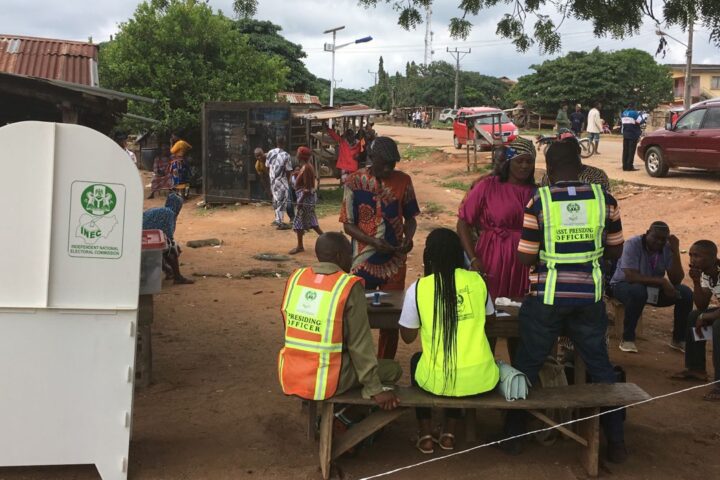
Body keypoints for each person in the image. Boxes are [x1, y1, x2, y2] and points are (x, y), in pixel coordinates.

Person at [505, 138, 627, 463]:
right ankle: (616, 440)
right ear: (580, 163)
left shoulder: (538, 202)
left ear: (549, 168)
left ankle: (513, 435)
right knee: (601, 368)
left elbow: (525, 258)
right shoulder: (606, 199)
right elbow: (616, 249)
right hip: (590, 298)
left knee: (528, 364)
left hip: (547, 297)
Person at [399, 228, 499, 453]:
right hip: (480, 379)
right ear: (459, 255)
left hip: (438, 381)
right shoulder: (476, 281)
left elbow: (407, 337)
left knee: (418, 360)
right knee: (459, 364)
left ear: (429, 257)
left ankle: (425, 434)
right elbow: (491, 320)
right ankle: (449, 433)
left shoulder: (419, 289)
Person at [278, 232, 401, 409]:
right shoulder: (347, 286)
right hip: (327, 376)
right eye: (350, 253)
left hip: (293, 372)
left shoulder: (296, 278)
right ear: (339, 256)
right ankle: (348, 416)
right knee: (393, 369)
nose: (352, 258)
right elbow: (360, 344)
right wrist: (375, 389)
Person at [340, 136, 420, 360]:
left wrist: (408, 238)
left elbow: (411, 218)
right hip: (362, 262)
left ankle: (385, 364)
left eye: (392, 164)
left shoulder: (404, 181)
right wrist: (372, 241)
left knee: (392, 317)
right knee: (357, 315)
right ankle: (359, 363)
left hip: (394, 263)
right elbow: (347, 224)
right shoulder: (354, 182)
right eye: (384, 163)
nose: (388, 168)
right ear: (372, 158)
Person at [457, 137, 537, 300]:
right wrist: (472, 258)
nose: (525, 166)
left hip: (525, 258)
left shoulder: (537, 192)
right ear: (509, 162)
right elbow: (463, 223)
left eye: (529, 162)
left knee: (520, 307)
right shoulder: (487, 186)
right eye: (519, 161)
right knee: (489, 303)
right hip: (492, 254)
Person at [610, 221, 692, 353]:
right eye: (655, 237)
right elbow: (631, 276)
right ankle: (628, 339)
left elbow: (677, 279)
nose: (659, 242)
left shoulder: (666, 247)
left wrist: (675, 251)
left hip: (651, 288)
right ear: (647, 233)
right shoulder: (633, 244)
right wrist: (662, 282)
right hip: (624, 285)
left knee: (685, 293)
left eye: (663, 239)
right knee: (638, 291)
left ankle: (678, 339)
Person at [671, 240, 720, 401]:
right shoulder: (707, 273)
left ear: (713, 257)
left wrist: (706, 316)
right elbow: (701, 304)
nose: (692, 259)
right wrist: (696, 281)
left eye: (697, 256)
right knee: (693, 316)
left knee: (717, 326)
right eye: (691, 255)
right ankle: (696, 368)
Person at [142, 193, 194, 285]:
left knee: (163, 247)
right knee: (171, 250)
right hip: (147, 239)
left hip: (141, 237)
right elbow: (168, 234)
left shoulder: (157, 209)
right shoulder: (169, 213)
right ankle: (177, 277)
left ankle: (168, 271)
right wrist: (175, 246)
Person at [289, 146, 323, 255]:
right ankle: (327, 239)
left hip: (305, 198)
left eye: (298, 153)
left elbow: (307, 188)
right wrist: (296, 174)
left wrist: (300, 201)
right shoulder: (305, 167)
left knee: (298, 221)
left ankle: (300, 246)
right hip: (306, 198)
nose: (296, 154)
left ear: (301, 156)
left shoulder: (307, 167)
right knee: (312, 222)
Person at [265, 137, 293, 230]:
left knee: (276, 200)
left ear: (276, 142)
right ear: (284, 143)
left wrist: (271, 177)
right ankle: (280, 222)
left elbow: (267, 167)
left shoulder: (270, 153)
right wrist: (288, 182)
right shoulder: (286, 155)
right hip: (282, 181)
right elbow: (288, 170)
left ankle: (277, 219)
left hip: (273, 180)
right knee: (282, 201)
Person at [620, 103, 643, 171]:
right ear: (633, 107)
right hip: (633, 134)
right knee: (631, 151)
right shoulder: (634, 113)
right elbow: (640, 121)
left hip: (625, 134)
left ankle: (624, 166)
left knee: (625, 150)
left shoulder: (624, 113)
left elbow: (623, 123)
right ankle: (629, 166)